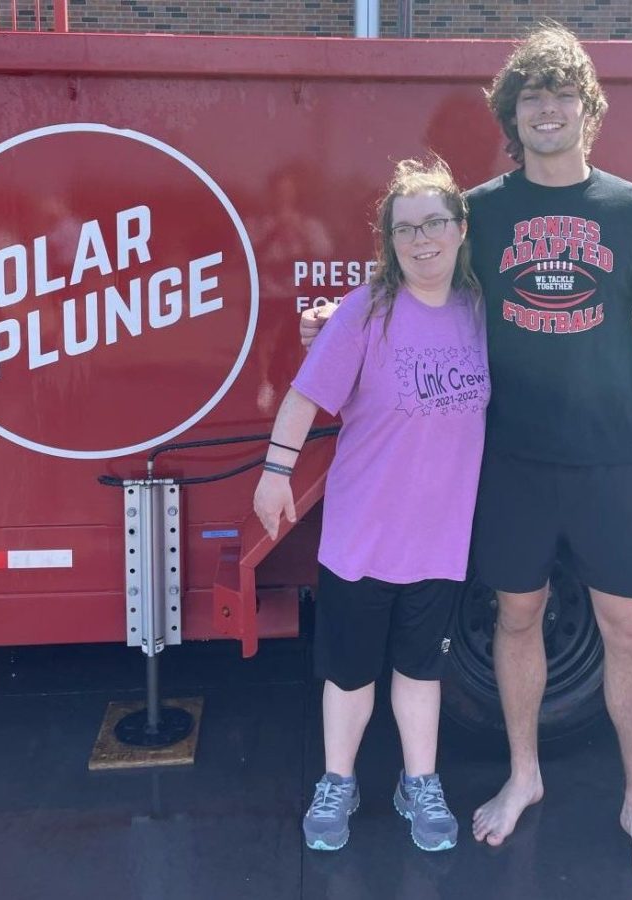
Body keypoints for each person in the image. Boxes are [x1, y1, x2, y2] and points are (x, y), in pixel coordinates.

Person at [300, 24, 632, 894]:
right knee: (517, 618)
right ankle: (525, 774)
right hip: (509, 461)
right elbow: (418, 273)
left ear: (588, 110)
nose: (546, 110)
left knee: (629, 628)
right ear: (511, 116)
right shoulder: (481, 212)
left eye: (561, 96)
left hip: (606, 462)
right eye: (530, 99)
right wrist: (343, 317)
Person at [254, 157, 490, 852]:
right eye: (405, 228)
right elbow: (304, 396)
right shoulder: (366, 311)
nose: (422, 240)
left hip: (439, 541)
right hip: (362, 538)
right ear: (388, 239)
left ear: (460, 229)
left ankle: (419, 784)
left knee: (421, 674)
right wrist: (275, 475)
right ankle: (338, 781)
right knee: (350, 675)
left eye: (435, 223)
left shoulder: (481, 312)